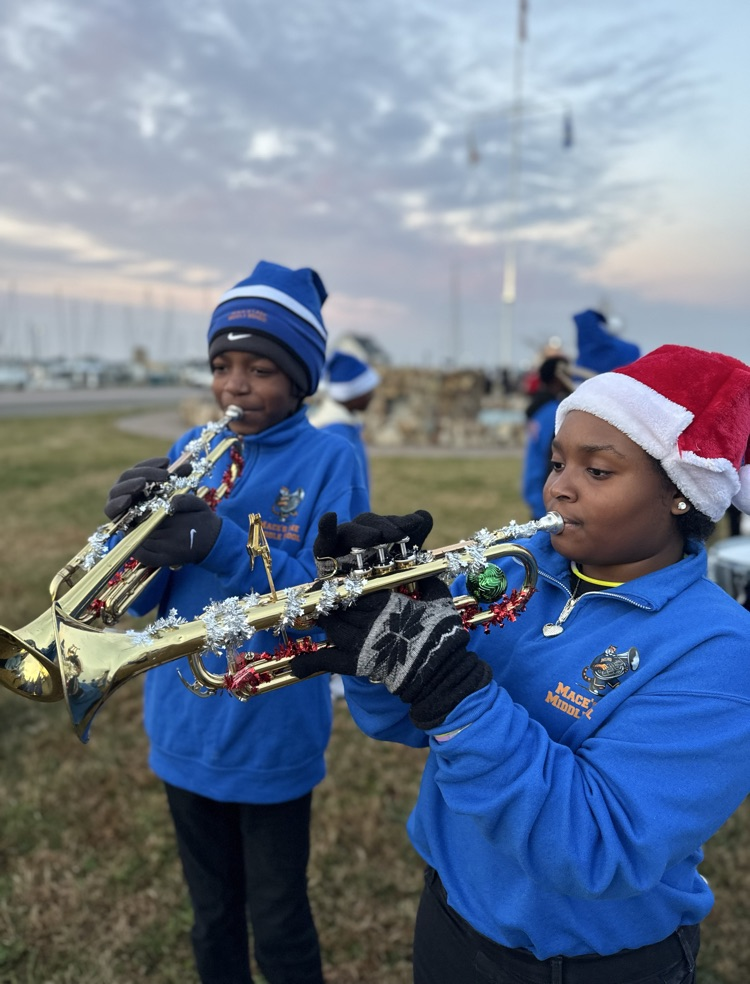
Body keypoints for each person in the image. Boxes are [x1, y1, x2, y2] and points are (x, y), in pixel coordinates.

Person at [291, 344, 750, 984]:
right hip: (450, 917)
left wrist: (447, 685)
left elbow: (598, 849)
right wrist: (380, 627)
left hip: (589, 965)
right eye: (558, 462)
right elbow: (400, 721)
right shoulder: (516, 569)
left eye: (598, 471)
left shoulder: (720, 650)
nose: (558, 485)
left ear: (681, 494)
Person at [104, 261, 368, 984]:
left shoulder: (332, 458)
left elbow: (328, 602)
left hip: (271, 730)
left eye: (261, 369)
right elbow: (141, 601)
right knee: (212, 915)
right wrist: (128, 539)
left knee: (279, 920)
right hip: (183, 725)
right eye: (223, 365)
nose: (235, 386)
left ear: (301, 380)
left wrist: (219, 542)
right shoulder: (194, 447)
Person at [309, 349, 381, 489]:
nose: (372, 395)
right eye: (367, 389)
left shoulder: (347, 427)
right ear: (352, 393)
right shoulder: (336, 433)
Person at [521, 354, 575, 520]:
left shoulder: (539, 408)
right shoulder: (557, 412)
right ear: (559, 377)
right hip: (548, 497)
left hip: (534, 490)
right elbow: (554, 458)